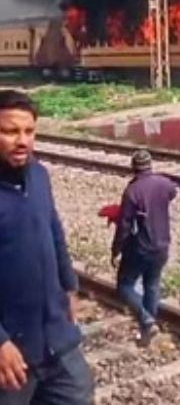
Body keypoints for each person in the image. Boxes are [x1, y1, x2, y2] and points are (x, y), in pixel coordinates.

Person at [0, 89, 94, 404]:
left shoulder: (39, 175)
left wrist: (69, 284)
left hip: (57, 343)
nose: (22, 140)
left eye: (29, 131)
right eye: (10, 131)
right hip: (10, 353)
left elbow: (53, 230)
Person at [111, 150, 179, 346]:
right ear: (151, 165)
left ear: (133, 167)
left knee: (124, 286)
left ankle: (146, 319)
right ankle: (147, 332)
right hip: (162, 245)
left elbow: (124, 225)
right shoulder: (164, 183)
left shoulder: (132, 191)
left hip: (141, 247)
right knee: (152, 284)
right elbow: (174, 192)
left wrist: (116, 250)